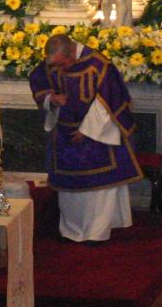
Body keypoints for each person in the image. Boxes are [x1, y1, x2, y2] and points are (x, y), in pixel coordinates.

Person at [28, 34, 141, 243]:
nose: (61, 69)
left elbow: (110, 101)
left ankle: (96, 232)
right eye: (56, 65)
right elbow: (38, 80)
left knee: (98, 187)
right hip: (64, 132)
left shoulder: (98, 65)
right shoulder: (54, 61)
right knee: (68, 187)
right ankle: (71, 230)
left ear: (71, 52)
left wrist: (87, 130)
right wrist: (51, 98)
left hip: (96, 134)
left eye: (64, 64)